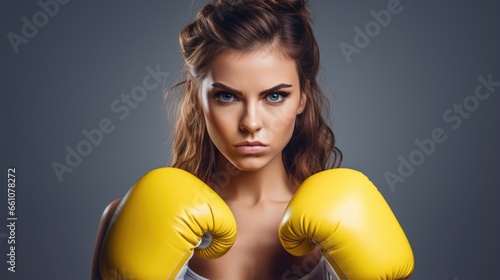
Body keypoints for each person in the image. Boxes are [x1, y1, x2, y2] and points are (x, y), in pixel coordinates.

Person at [92, 1, 414, 279]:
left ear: (302, 98)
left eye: (274, 96)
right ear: (196, 98)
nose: (251, 123)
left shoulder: (348, 217)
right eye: (227, 96)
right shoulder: (127, 218)